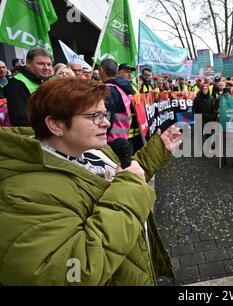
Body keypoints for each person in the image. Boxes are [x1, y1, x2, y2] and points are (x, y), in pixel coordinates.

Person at [0, 77, 181, 285]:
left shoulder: (94, 150)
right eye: (95, 116)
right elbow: (72, 274)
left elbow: (121, 178)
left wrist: (155, 153)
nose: (106, 122)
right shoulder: (21, 194)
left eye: (105, 114)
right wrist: (129, 185)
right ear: (56, 124)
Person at [5, 48, 53, 127]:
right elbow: (20, 120)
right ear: (28, 64)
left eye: (49, 64)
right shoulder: (16, 83)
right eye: (41, 64)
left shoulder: (52, 81)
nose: (46, 67)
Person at [99, 59, 133, 146]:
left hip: (110, 140)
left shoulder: (107, 90)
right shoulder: (122, 88)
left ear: (102, 70)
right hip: (122, 138)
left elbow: (107, 117)